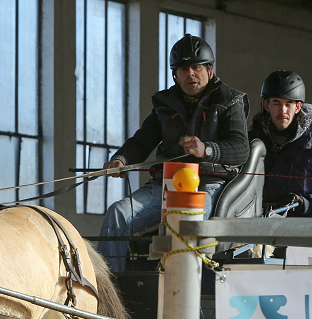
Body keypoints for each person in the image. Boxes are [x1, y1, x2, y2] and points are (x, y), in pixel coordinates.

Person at [97, 33, 250, 272]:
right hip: (167, 183)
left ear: (209, 71)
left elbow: (241, 149)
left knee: (186, 223)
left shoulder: (230, 100)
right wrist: (121, 159)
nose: (190, 74)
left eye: (196, 67)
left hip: (208, 184)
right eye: (183, 69)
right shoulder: (164, 104)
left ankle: (186, 299)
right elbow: (141, 141)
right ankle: (109, 292)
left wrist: (207, 149)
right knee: (118, 214)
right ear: (175, 75)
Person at [249, 70, 312, 217]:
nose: (282, 110)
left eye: (288, 104)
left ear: (298, 107)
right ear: (266, 105)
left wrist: (305, 203)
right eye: (276, 103)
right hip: (260, 229)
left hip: (303, 232)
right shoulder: (252, 140)